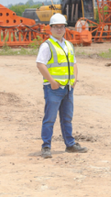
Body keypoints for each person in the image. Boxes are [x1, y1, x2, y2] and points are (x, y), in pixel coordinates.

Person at [36, 13, 88, 159]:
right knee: (50, 118)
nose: (59, 29)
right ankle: (46, 146)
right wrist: (52, 81)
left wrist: (75, 79)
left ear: (65, 28)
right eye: (56, 27)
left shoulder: (68, 45)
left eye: (62, 27)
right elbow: (40, 64)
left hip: (67, 88)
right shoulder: (47, 45)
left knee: (67, 118)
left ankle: (70, 144)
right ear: (50, 29)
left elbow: (74, 63)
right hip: (53, 88)